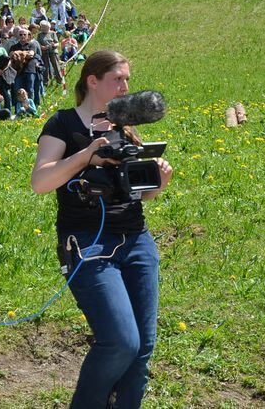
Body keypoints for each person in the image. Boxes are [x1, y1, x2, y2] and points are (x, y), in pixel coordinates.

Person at [31, 51, 172, 408]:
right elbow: (40, 181)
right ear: (92, 80)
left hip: (137, 240)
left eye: (128, 80)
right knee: (121, 341)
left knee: (142, 350)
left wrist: (158, 181)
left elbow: (137, 191)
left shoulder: (124, 124)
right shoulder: (62, 124)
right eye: (118, 79)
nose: (126, 87)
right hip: (89, 244)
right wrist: (87, 154)